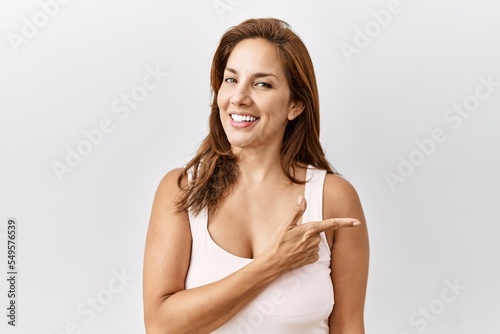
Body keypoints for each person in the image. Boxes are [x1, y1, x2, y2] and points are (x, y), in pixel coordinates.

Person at [143, 18, 369, 334]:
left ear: (295, 105)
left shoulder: (334, 198)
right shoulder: (181, 190)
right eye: (231, 80)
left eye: (262, 84)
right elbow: (161, 326)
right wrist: (270, 265)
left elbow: (347, 325)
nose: (238, 98)